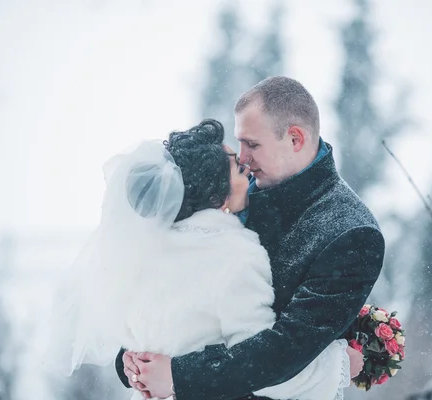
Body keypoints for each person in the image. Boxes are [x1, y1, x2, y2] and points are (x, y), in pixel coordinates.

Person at [118, 76, 386, 400]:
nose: (242, 158)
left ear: (295, 139)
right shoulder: (218, 192)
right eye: (239, 143)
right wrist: (132, 361)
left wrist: (177, 374)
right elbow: (154, 304)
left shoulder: (351, 234)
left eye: (253, 144)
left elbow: (284, 349)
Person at [53, 118, 359, 400]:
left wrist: (134, 366)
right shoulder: (232, 255)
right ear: (220, 195)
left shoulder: (141, 253)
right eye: (238, 168)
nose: (248, 169)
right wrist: (341, 365)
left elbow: (136, 347)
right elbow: (259, 367)